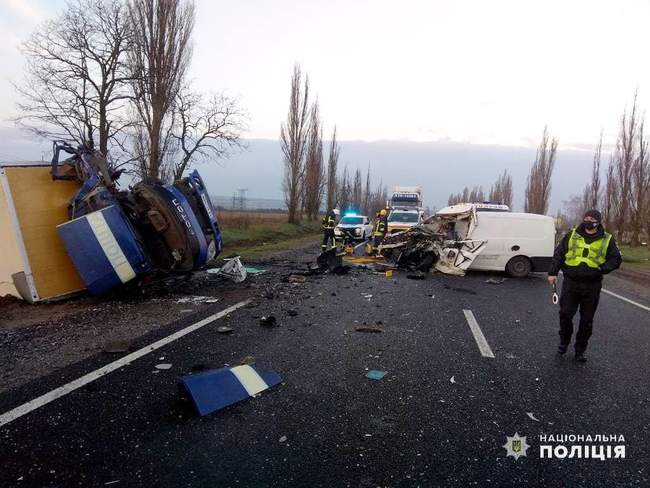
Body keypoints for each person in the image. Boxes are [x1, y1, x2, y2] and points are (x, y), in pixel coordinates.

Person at [548, 209, 621, 362]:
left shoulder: (607, 239)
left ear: (598, 222)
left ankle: (580, 350)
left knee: (586, 321)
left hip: (592, 286)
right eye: (586, 218)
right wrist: (552, 273)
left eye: (592, 219)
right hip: (571, 283)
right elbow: (559, 253)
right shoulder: (572, 235)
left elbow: (615, 259)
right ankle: (564, 343)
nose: (588, 220)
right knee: (565, 314)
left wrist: (602, 269)